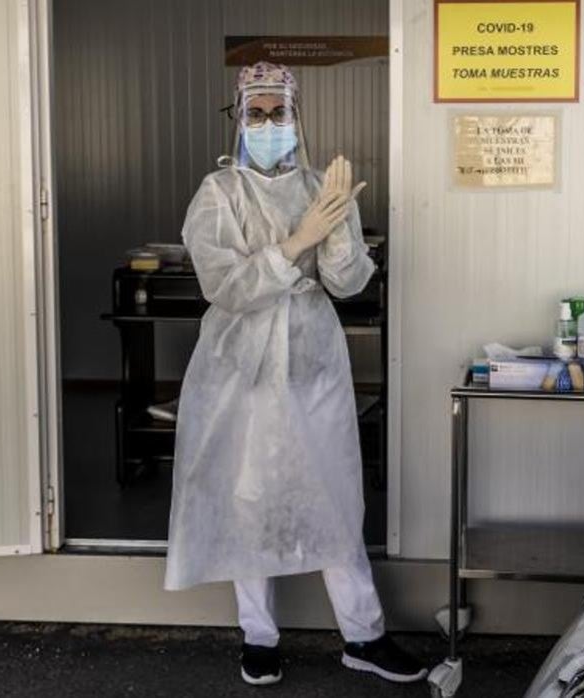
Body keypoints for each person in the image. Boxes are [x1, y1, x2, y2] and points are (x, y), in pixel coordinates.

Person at [163, 62, 426, 687]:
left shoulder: (319, 187)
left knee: (334, 495)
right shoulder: (218, 195)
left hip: (312, 363)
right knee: (246, 495)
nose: (267, 124)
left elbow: (349, 282)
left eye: (278, 112)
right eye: (254, 113)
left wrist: (333, 237)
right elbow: (226, 286)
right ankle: (258, 636)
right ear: (238, 119)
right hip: (239, 367)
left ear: (295, 117)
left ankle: (364, 635)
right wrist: (295, 242)